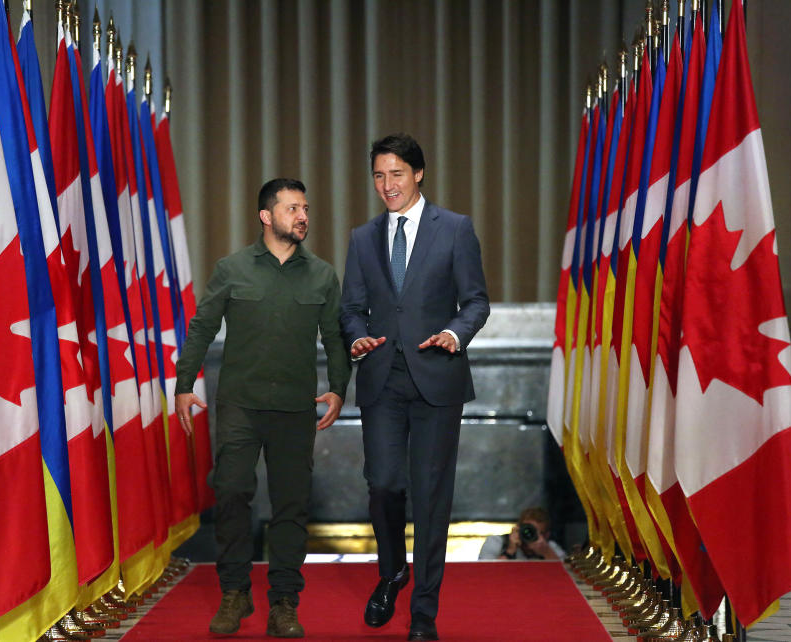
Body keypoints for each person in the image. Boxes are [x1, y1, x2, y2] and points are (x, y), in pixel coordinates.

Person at [175, 178, 349, 639]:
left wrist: (338, 388)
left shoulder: (323, 275)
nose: (303, 216)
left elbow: (335, 338)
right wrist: (183, 383)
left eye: (306, 208)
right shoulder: (232, 269)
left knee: (291, 506)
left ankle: (285, 603)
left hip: (295, 408)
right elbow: (201, 327)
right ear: (266, 216)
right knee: (231, 492)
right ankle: (234, 591)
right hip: (239, 404)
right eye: (293, 208)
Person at [340, 133, 490, 641]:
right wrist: (358, 339)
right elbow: (352, 309)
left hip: (437, 378)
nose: (387, 185)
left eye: (396, 174)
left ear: (418, 174)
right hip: (383, 378)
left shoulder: (455, 229)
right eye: (379, 176)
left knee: (430, 497)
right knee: (383, 484)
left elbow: (476, 301)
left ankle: (423, 614)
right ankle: (392, 571)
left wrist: (454, 333)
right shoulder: (362, 238)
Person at [478, 507, 566, 561]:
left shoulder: (550, 548)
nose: (530, 536)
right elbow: (485, 574)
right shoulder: (496, 542)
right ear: (518, 529)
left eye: (538, 533)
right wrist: (509, 551)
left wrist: (546, 553)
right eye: (527, 531)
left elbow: (567, 577)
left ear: (546, 535)